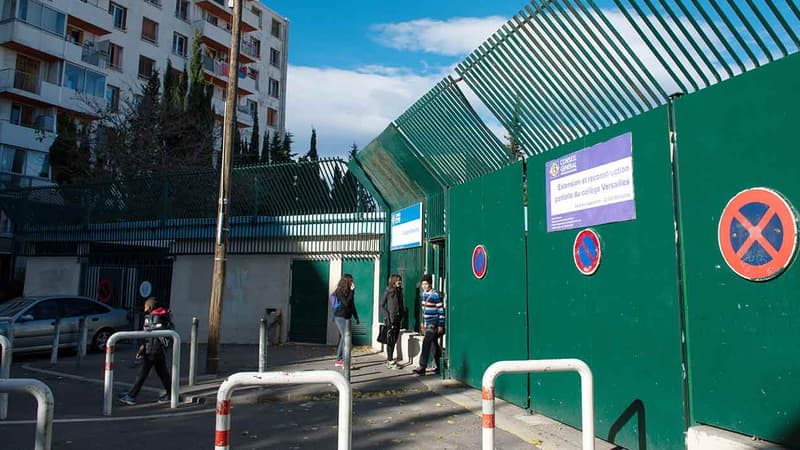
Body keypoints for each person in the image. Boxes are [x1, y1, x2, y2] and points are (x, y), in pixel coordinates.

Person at [118, 298, 173, 405]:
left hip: (152, 350)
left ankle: (131, 395)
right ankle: (171, 394)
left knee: (142, 374)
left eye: (145, 306)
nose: (144, 308)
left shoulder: (153, 317)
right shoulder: (162, 315)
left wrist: (143, 350)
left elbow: (148, 336)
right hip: (158, 350)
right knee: (163, 374)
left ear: (150, 306)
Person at [413, 274, 445, 376]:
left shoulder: (435, 295)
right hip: (427, 323)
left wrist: (440, 325)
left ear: (430, 284)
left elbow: (440, 310)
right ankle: (440, 367)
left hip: (433, 323)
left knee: (426, 343)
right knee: (433, 344)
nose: (424, 286)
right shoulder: (423, 294)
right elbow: (424, 310)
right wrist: (423, 322)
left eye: (426, 284)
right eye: (423, 284)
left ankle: (422, 367)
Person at [332, 273, 359, 368]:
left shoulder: (349, 291)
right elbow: (346, 303)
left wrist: (356, 317)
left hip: (347, 317)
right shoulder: (339, 291)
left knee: (344, 337)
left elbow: (352, 305)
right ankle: (344, 361)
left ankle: (339, 360)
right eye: (351, 281)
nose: (352, 283)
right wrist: (352, 292)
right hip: (339, 317)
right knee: (346, 337)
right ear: (346, 282)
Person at [381, 274, 404, 369]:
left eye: (400, 280)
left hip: (398, 319)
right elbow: (381, 305)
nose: (400, 282)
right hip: (391, 320)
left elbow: (401, 305)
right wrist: (388, 317)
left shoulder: (399, 291)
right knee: (390, 340)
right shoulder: (388, 291)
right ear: (393, 281)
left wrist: (401, 315)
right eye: (398, 280)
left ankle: (390, 360)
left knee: (394, 340)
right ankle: (389, 361)